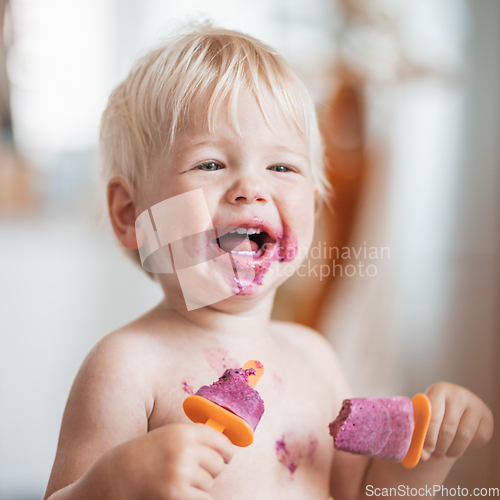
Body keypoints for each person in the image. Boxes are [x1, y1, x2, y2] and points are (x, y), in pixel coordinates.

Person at [43, 24, 493, 500]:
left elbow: (357, 493)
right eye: (211, 164)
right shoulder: (127, 366)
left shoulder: (315, 357)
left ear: (314, 209)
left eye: (282, 167)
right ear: (131, 214)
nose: (251, 188)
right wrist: (114, 482)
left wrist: (429, 453)